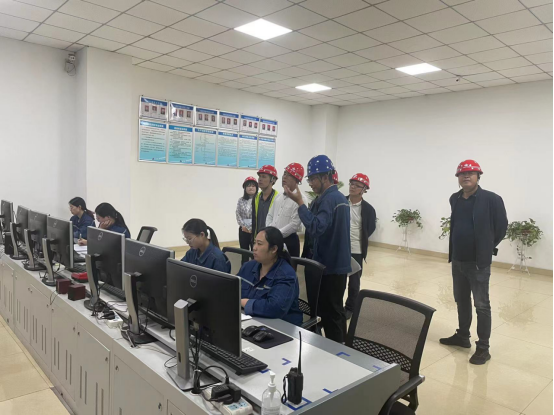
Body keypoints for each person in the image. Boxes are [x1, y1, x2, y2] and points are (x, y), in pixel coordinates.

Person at [440, 160, 508, 365]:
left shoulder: (492, 199)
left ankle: (483, 348)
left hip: (478, 263)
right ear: (458, 178)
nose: (466, 176)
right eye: (462, 174)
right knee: (461, 300)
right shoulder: (455, 198)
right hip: (458, 260)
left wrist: (486, 246)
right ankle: (462, 336)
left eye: (471, 173)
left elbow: (501, 227)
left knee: (481, 305)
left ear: (478, 176)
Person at [284, 155, 351, 343]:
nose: (311, 183)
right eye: (309, 179)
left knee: (331, 313)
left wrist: (300, 203)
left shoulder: (331, 199)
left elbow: (316, 227)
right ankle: (335, 348)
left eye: (313, 179)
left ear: (326, 177)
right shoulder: (329, 198)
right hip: (328, 265)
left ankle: (338, 352)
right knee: (330, 311)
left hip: (331, 267)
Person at [238, 227, 302, 326]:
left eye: (259, 244)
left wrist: (244, 302)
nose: (254, 248)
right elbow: (232, 289)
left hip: (282, 326)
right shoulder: (248, 266)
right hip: (252, 320)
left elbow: (275, 308)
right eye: (254, 243)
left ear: (274, 249)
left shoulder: (286, 274)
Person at [345, 173, 376, 320]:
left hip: (356, 249)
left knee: (354, 282)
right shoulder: (341, 202)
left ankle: (350, 308)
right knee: (338, 280)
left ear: (364, 190)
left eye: (357, 185)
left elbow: (370, 228)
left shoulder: (368, 209)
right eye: (352, 184)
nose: (353, 187)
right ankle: (335, 306)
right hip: (340, 247)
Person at [266, 163, 308, 258]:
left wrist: (276, 234)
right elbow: (270, 215)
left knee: (288, 266)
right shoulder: (278, 196)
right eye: (284, 174)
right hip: (272, 239)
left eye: (289, 175)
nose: (284, 177)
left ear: (297, 180)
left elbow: (294, 224)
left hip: (289, 241)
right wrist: (269, 231)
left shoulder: (301, 199)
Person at [251, 165, 279, 240]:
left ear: (273, 180)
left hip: (271, 239)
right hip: (258, 238)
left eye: (264, 177)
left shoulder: (278, 198)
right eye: (259, 176)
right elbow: (254, 220)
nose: (260, 179)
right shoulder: (256, 197)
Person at [236, 177, 258, 252]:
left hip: (255, 230)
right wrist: (243, 226)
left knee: (255, 251)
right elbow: (238, 213)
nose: (251, 188)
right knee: (243, 251)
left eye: (253, 186)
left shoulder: (259, 200)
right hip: (243, 229)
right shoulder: (241, 200)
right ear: (245, 188)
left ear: (257, 188)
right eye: (248, 186)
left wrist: (252, 227)